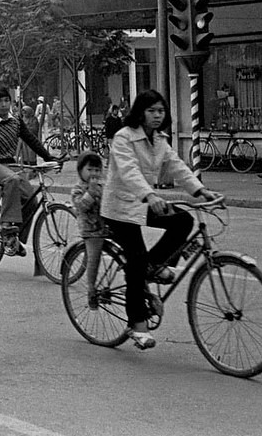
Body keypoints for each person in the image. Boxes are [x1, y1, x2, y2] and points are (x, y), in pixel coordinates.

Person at [103, 89, 220, 350]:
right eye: (151, 111)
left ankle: (153, 266)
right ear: (140, 113)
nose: (157, 116)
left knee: (183, 221)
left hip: (145, 202)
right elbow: (129, 171)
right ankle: (137, 324)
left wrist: (199, 190)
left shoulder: (159, 139)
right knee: (135, 260)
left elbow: (176, 165)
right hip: (120, 207)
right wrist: (148, 194)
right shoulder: (124, 138)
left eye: (161, 111)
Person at [0, 87, 57, 256]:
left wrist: (49, 157)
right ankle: (6, 225)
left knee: (31, 201)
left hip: (11, 164)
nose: (4, 105)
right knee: (12, 180)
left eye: (6, 101)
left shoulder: (16, 122)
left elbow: (32, 141)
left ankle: (15, 239)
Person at [70, 151, 109, 310]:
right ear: (80, 171)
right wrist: (91, 192)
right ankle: (91, 290)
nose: (94, 174)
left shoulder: (103, 186)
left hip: (105, 225)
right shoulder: (77, 189)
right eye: (90, 170)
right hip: (90, 230)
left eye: (97, 170)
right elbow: (81, 206)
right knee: (94, 258)